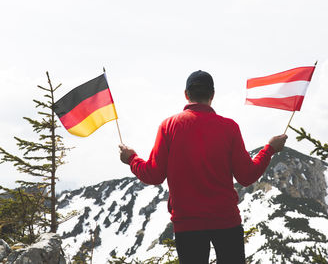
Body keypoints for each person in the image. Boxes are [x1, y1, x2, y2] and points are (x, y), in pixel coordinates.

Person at [119, 70, 287, 264]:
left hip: (187, 225)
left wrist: (131, 159)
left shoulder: (169, 126)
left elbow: (153, 175)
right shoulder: (229, 127)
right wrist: (270, 149)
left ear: (186, 94)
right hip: (226, 222)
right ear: (212, 95)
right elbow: (246, 176)